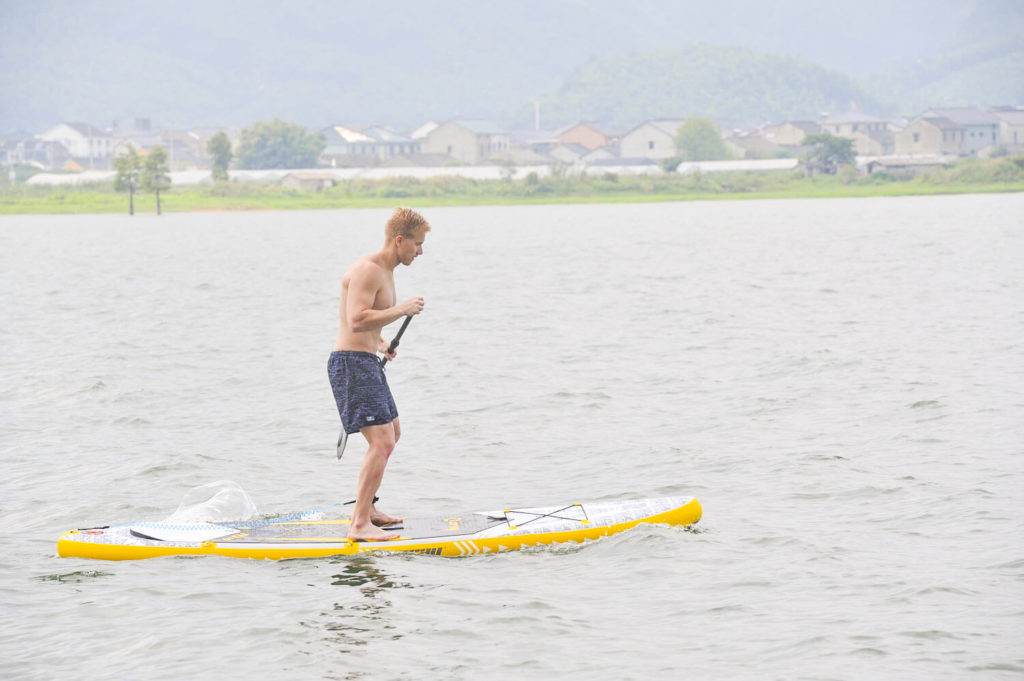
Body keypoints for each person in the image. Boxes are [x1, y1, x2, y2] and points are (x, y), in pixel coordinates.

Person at [328, 207, 429, 542]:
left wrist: (381, 342)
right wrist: (400, 310)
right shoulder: (369, 269)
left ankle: (367, 509)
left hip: (366, 361)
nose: (420, 251)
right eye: (417, 244)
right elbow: (355, 319)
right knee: (382, 440)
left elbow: (361, 322)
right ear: (399, 240)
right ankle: (358, 525)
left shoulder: (386, 270)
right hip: (351, 365)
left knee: (392, 434)